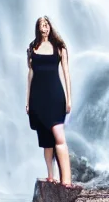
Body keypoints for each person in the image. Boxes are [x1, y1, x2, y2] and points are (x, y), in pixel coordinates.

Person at [26, 15, 73, 186]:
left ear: (50, 27)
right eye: (41, 25)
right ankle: (51, 176)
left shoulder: (60, 48)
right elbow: (30, 74)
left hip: (55, 96)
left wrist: (69, 99)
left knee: (59, 136)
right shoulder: (32, 48)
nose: (44, 27)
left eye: (46, 24)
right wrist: (27, 101)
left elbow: (67, 74)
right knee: (46, 140)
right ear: (38, 28)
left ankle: (66, 181)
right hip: (37, 98)